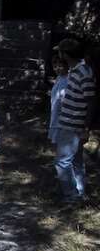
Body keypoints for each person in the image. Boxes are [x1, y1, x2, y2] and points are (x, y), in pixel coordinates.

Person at [54, 38, 96, 201]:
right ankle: (79, 192)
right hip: (69, 122)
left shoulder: (83, 72)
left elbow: (91, 101)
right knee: (76, 161)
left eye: (60, 52)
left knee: (62, 162)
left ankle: (71, 195)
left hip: (74, 125)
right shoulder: (74, 70)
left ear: (66, 54)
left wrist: (86, 128)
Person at [49, 55, 69, 144]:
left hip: (64, 116)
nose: (57, 69)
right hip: (55, 113)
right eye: (55, 66)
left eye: (60, 66)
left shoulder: (69, 79)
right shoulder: (59, 78)